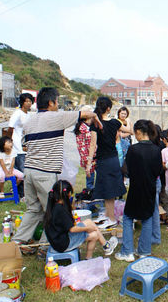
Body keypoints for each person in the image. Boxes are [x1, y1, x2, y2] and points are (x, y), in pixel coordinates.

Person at [12, 87, 102, 257]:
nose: (57, 105)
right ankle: (45, 248)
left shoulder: (30, 121)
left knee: (33, 209)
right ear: (52, 102)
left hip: (29, 171)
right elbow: (86, 113)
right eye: (57, 102)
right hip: (44, 172)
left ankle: (17, 242)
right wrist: (96, 118)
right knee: (51, 211)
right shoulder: (56, 117)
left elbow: (25, 144)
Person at [116, 120, 163, 262]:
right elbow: (158, 170)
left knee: (128, 217)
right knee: (147, 217)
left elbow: (126, 169)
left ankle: (127, 251)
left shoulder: (133, 149)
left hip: (136, 187)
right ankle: (144, 251)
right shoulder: (156, 149)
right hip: (150, 187)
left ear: (137, 132)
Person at [44, 180, 117, 259]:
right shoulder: (60, 209)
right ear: (67, 194)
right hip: (63, 244)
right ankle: (91, 257)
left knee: (89, 222)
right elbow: (72, 229)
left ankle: (106, 246)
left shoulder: (53, 205)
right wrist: (87, 228)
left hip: (57, 240)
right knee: (94, 234)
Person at [88, 97, 128, 229]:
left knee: (107, 189)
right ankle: (109, 215)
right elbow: (129, 130)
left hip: (103, 160)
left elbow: (93, 145)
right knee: (109, 189)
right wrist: (128, 122)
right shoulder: (115, 123)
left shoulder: (96, 124)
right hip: (113, 159)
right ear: (109, 108)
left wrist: (89, 163)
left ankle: (110, 218)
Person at [7, 93, 34, 197]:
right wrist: (9, 143)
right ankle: (20, 193)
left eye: (30, 101)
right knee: (21, 170)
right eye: (27, 101)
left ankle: (22, 191)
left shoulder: (28, 115)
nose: (29, 103)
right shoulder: (17, 113)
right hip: (17, 146)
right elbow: (10, 128)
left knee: (26, 170)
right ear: (22, 102)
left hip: (25, 145)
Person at [73, 112, 95, 191]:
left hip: (89, 156)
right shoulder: (83, 129)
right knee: (90, 178)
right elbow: (85, 145)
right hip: (88, 157)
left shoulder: (85, 127)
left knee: (91, 176)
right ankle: (90, 194)